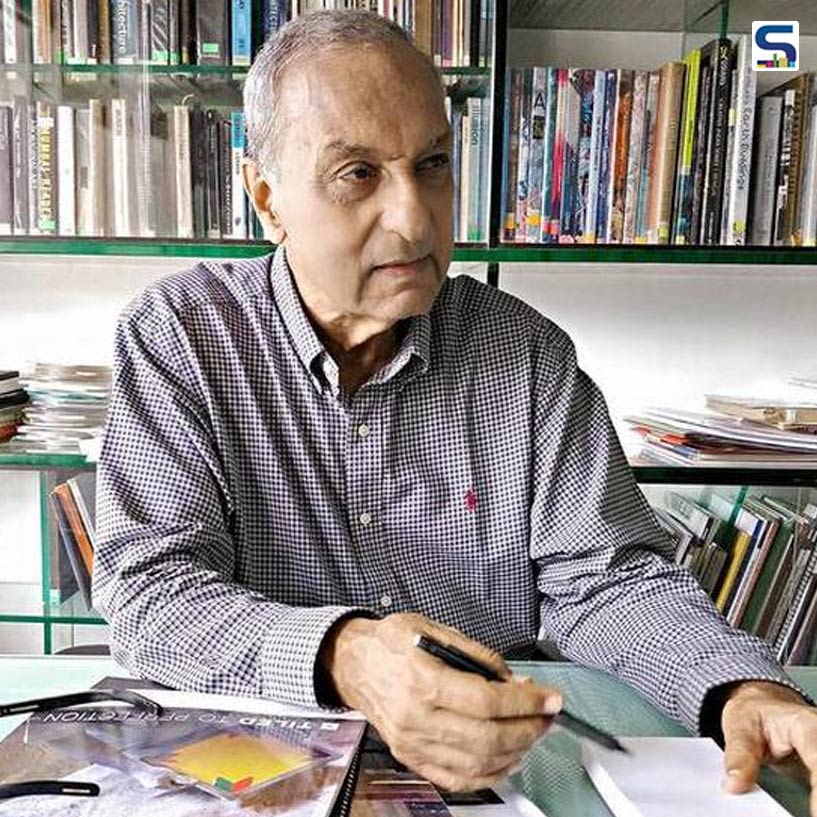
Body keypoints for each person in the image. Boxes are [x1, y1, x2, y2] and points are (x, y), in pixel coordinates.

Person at [94, 8, 817, 806]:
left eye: (432, 164)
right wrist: (344, 654)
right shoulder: (182, 336)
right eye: (357, 173)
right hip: (259, 761)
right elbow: (149, 592)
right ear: (267, 198)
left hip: (500, 764)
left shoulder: (525, 352)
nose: (414, 219)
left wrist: (740, 688)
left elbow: (607, 580)